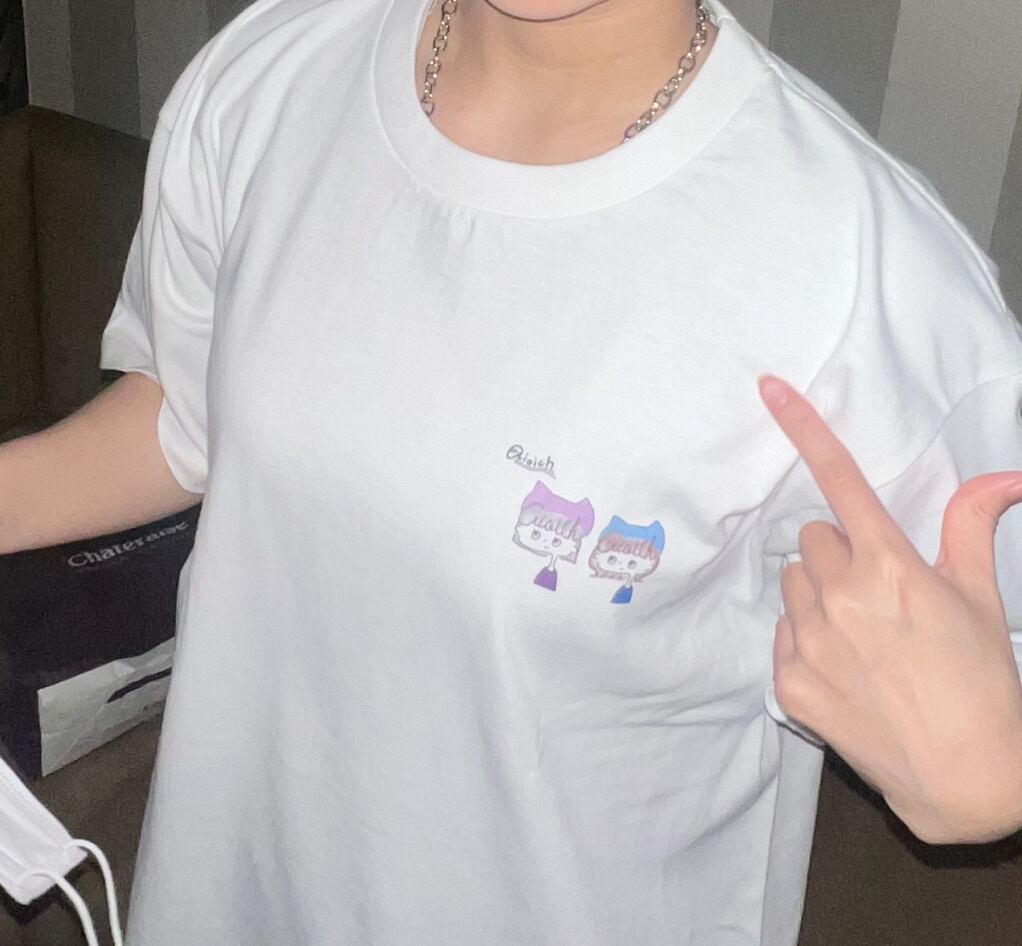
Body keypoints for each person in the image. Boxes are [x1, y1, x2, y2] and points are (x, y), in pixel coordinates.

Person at [0, 0, 1020, 942]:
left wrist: (992, 776)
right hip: (226, 897)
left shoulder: (861, 270)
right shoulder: (272, 72)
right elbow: (187, 419)